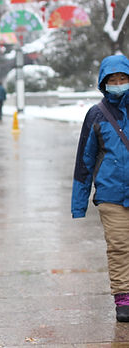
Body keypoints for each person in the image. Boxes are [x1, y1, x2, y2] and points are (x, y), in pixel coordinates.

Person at [71, 54, 129, 322]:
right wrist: (79, 203)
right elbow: (85, 159)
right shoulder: (96, 114)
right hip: (111, 195)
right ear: (103, 84)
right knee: (119, 246)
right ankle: (124, 298)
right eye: (113, 80)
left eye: (123, 79)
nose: (118, 84)